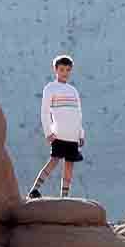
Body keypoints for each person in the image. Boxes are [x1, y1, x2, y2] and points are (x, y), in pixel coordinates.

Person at [28, 54, 85, 198]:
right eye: (62, 70)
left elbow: (78, 114)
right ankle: (34, 189)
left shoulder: (73, 91)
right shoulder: (50, 88)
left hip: (73, 135)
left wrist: (81, 134)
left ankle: (64, 196)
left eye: (67, 70)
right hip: (59, 134)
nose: (65, 73)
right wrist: (48, 132)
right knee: (54, 161)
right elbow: (45, 112)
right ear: (55, 70)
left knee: (69, 165)